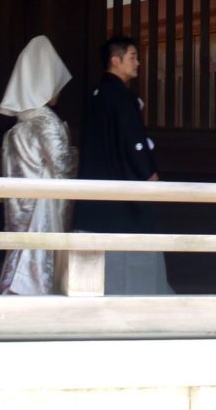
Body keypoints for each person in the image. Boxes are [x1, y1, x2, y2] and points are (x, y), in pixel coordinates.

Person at [74, 36, 171, 294]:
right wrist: (148, 172)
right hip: (122, 193)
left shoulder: (96, 95)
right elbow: (133, 141)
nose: (138, 63)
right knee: (130, 254)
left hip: (96, 190)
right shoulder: (120, 96)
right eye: (133, 57)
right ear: (115, 60)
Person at [0, 35, 77, 295]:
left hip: (19, 205)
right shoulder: (46, 122)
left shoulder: (20, 123)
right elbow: (62, 165)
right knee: (38, 257)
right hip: (43, 205)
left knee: (19, 253)